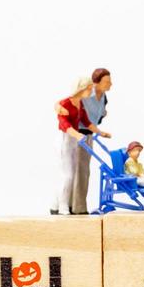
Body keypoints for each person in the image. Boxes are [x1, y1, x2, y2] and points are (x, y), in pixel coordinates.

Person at [53, 75, 110, 215]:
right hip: (65, 139)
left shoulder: (80, 104)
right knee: (67, 175)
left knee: (71, 174)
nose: (91, 91)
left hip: (74, 140)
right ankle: (62, 206)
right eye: (89, 88)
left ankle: (55, 204)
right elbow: (64, 124)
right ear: (81, 88)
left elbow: (86, 121)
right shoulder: (65, 103)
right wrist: (77, 134)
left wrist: (100, 132)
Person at [70, 68, 111, 216]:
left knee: (83, 171)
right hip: (78, 134)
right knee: (78, 171)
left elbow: (99, 115)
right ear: (96, 83)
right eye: (106, 82)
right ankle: (77, 207)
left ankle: (75, 205)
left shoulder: (104, 97)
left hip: (89, 135)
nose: (110, 84)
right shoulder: (86, 95)